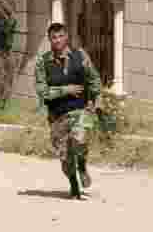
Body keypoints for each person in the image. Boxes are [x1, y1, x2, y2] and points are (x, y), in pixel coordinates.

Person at [34, 23, 102, 200]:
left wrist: (96, 101)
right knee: (65, 157)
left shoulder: (80, 56)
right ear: (50, 40)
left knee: (79, 139)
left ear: (66, 37)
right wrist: (66, 90)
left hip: (80, 111)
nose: (57, 41)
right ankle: (74, 185)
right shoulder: (43, 62)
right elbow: (42, 92)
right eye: (53, 38)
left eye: (60, 36)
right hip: (57, 116)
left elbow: (94, 79)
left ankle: (82, 165)